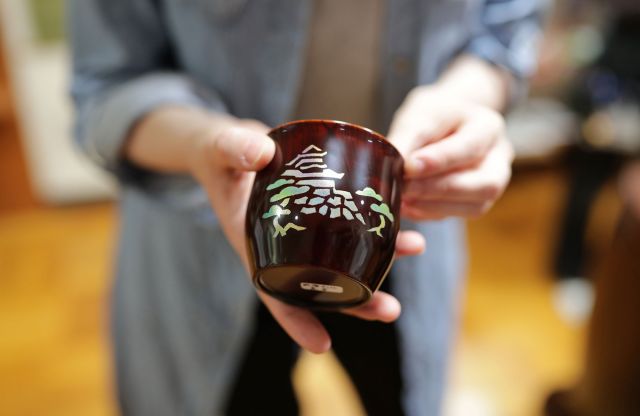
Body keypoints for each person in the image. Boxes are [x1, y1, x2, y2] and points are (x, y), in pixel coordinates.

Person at [69, 0, 543, 414]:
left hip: (402, 226)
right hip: (203, 237)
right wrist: (199, 143)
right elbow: (105, 84)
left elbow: (505, 34)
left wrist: (462, 110)